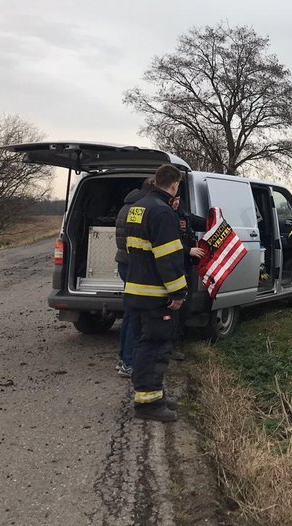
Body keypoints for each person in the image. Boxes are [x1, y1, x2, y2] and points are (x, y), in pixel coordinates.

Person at [124, 164, 188, 422]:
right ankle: (148, 405)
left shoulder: (138, 208)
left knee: (144, 345)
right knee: (155, 348)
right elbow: (168, 259)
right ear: (174, 185)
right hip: (155, 295)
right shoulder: (163, 213)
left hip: (137, 289)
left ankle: (153, 395)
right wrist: (178, 293)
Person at [113, 177, 154, 377]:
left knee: (129, 313)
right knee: (135, 314)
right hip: (133, 265)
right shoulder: (140, 209)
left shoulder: (126, 207)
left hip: (123, 263)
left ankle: (123, 358)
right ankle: (129, 362)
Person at [169, 194, 207, 360]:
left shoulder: (185, 216)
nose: (176, 202)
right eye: (173, 199)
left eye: (178, 198)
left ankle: (177, 342)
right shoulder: (163, 216)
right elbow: (168, 242)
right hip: (172, 267)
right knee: (173, 308)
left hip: (185, 267)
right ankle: (170, 345)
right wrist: (188, 250)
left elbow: (206, 223)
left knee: (185, 307)